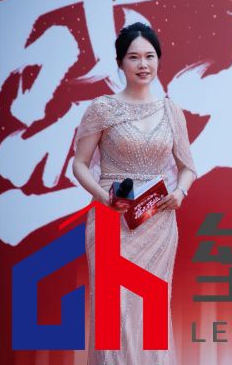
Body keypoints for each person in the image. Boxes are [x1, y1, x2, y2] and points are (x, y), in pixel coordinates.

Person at [72, 22, 196, 365]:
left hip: (158, 221)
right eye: (134, 57)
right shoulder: (102, 108)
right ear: (120, 63)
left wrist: (181, 192)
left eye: (150, 56)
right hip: (111, 217)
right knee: (112, 311)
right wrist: (103, 197)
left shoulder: (171, 110)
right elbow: (79, 164)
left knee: (151, 309)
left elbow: (187, 167)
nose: (143, 64)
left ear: (158, 60)